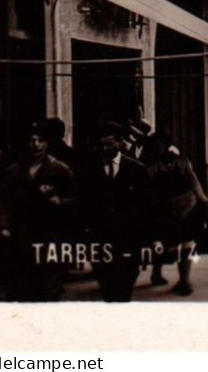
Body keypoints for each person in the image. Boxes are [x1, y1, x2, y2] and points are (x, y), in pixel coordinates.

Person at [0, 122, 77, 300]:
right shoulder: (13, 171)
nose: (36, 145)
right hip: (20, 234)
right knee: (20, 285)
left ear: (47, 144)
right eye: (32, 140)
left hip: (50, 235)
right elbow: (3, 200)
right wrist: (4, 226)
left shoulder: (59, 169)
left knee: (47, 286)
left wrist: (60, 202)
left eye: (41, 140)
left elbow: (76, 199)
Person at [81, 120, 150, 302]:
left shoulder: (136, 169)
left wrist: (144, 236)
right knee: (106, 281)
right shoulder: (89, 170)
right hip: (100, 236)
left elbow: (147, 205)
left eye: (110, 144)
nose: (105, 149)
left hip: (129, 236)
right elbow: (85, 202)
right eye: (102, 145)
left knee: (126, 280)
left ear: (120, 142)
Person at [141, 133, 208, 295]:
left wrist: (203, 200)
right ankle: (157, 274)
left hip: (185, 209)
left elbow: (193, 181)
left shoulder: (181, 162)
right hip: (163, 210)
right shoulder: (152, 166)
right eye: (154, 146)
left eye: (159, 145)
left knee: (185, 245)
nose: (157, 149)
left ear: (166, 145)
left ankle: (184, 281)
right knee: (161, 243)